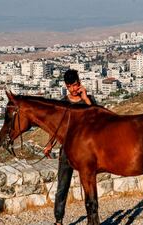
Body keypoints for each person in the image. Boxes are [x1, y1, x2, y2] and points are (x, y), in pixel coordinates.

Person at [43, 69, 96, 225]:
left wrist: (86, 99)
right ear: (67, 86)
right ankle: (58, 220)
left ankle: (92, 219)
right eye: (71, 86)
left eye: (77, 84)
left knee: (89, 185)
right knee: (62, 185)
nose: (75, 88)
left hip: (86, 151)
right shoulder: (62, 104)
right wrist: (49, 144)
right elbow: (56, 128)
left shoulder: (88, 100)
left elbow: (97, 117)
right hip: (66, 150)